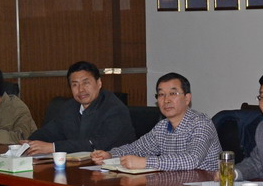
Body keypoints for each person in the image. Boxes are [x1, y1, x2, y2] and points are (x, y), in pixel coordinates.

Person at [91, 73, 221, 171]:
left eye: (173, 94)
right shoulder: (162, 127)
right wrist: (110, 155)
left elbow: (191, 159)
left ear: (187, 99)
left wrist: (145, 162)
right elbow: (137, 148)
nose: (166, 100)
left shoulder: (201, 124)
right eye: (161, 95)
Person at [27, 61, 134, 154]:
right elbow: (50, 131)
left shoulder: (115, 109)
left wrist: (53, 147)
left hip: (114, 166)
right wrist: (30, 143)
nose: (81, 89)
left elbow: (95, 145)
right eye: (75, 85)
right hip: (81, 165)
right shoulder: (69, 107)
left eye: (86, 83)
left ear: (99, 83)